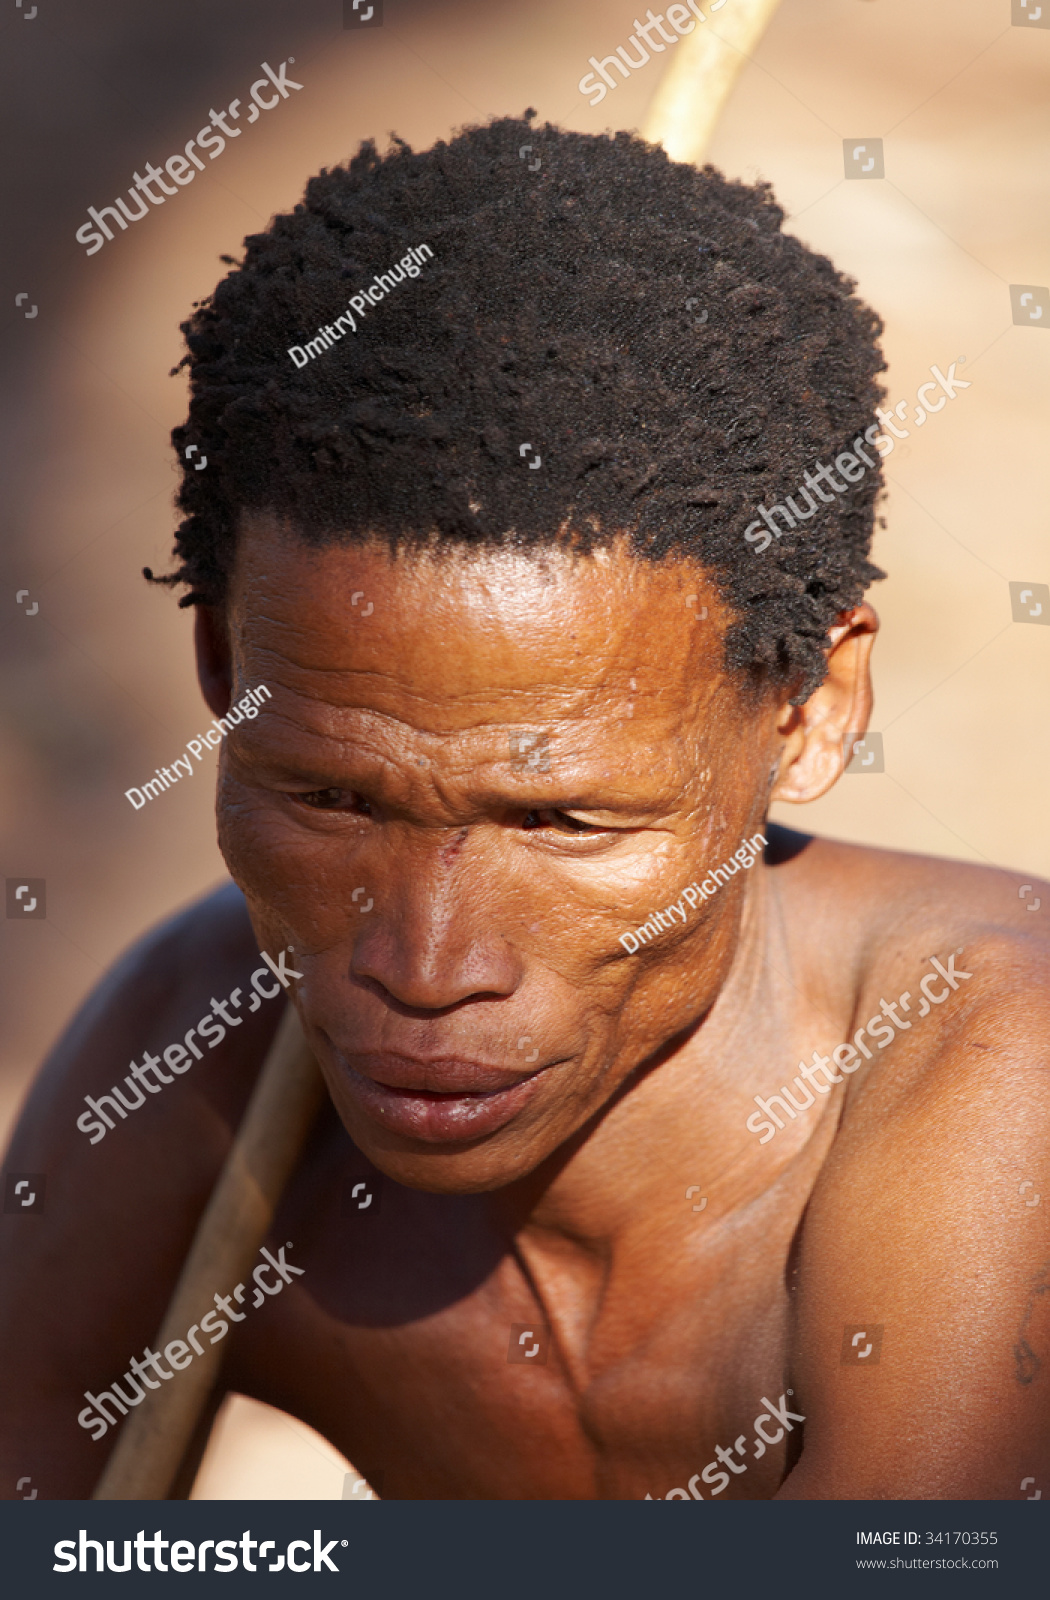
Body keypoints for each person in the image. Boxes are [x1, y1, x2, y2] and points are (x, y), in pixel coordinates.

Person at [2, 115, 1047, 1502]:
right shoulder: (195, 1056)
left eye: (561, 824)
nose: (424, 966)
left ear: (811, 712)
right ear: (220, 671)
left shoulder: (984, 1063)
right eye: (328, 795)